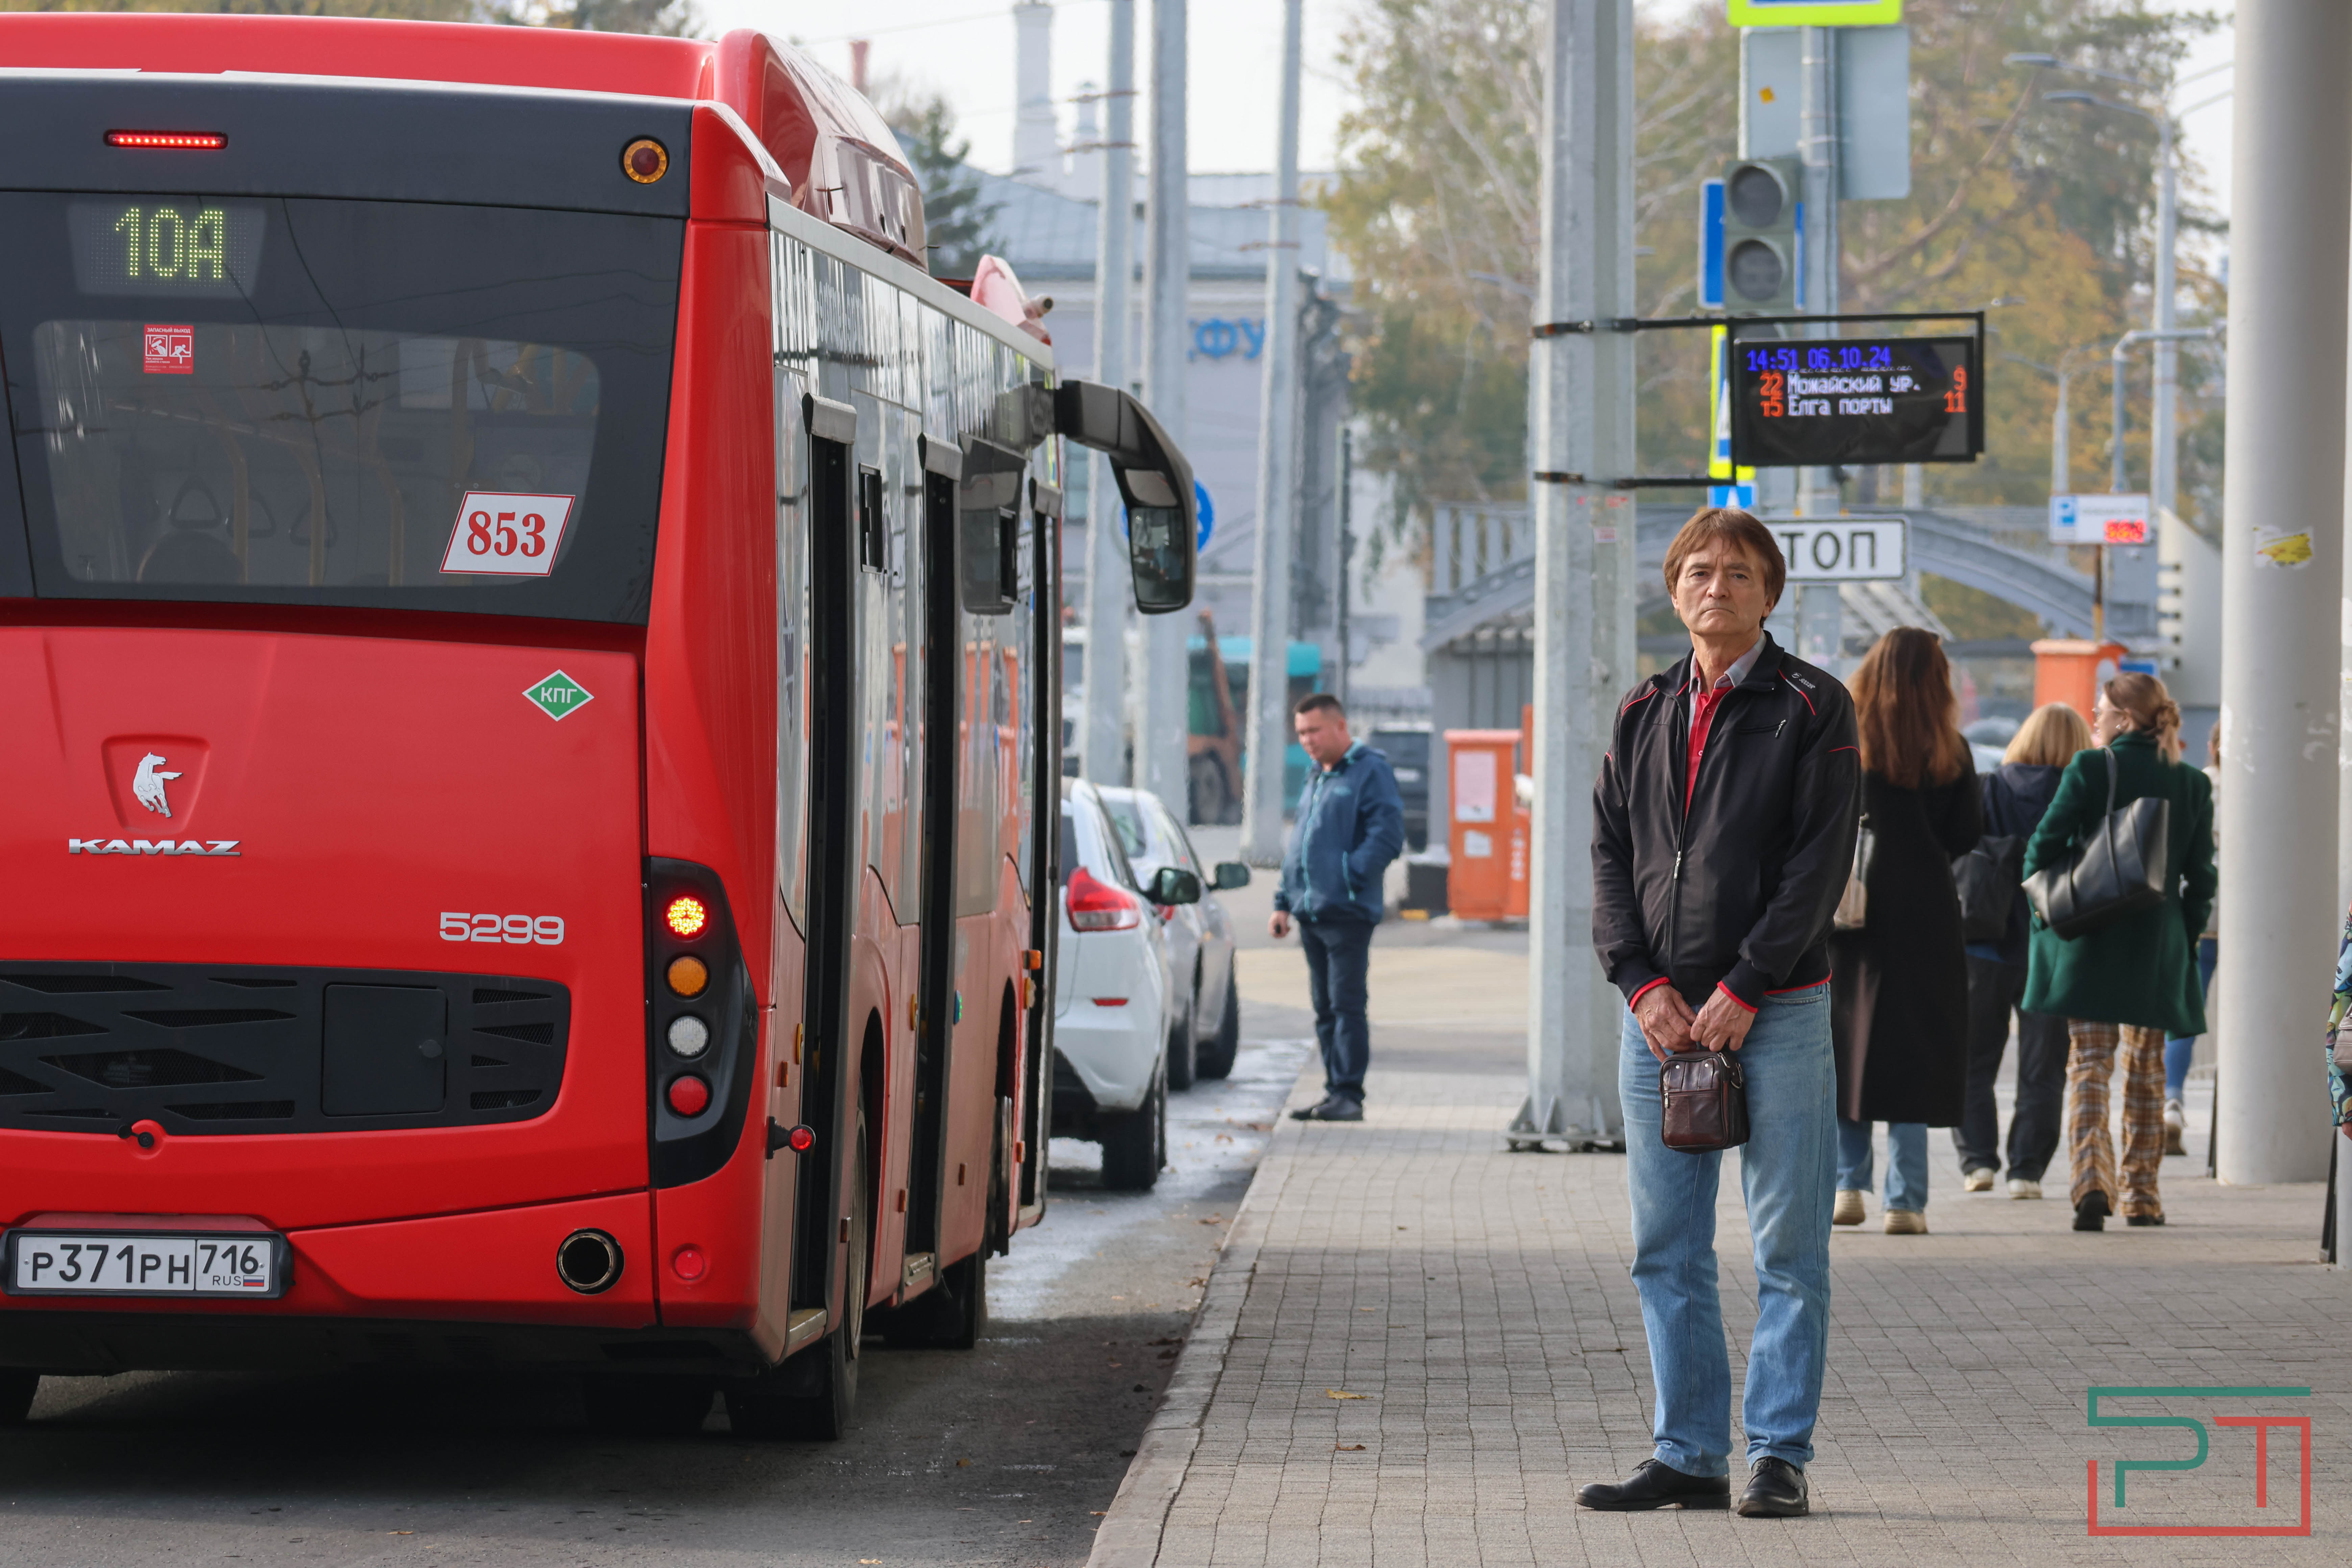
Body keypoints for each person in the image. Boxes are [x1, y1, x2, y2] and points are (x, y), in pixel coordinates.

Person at [1583, 508, 1860, 1520]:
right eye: (1698, 571)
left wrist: (1745, 983)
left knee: (1788, 1247)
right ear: (1673, 589)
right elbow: (1609, 856)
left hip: (1774, 1011)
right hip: (1656, 1019)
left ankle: (1777, 1453)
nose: (1717, 586)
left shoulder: (1812, 705)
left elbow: (1816, 865)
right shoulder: (1640, 709)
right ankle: (1688, 1452)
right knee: (1667, 1245)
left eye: (1738, 573)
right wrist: (1640, 982)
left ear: (1769, 593)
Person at [2022, 671, 2215, 1231]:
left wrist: (2047, 907)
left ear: (2125, 719)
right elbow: (2202, 878)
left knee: (2089, 1066)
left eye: (2101, 709)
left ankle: (2090, 1184)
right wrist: (2184, 933)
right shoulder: (2192, 784)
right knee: (2147, 1071)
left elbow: (2044, 845)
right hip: (2157, 947)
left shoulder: (2091, 767)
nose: (2095, 717)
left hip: (2091, 938)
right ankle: (2144, 1196)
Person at [1828, 628, 1980, 1235]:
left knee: (1849, 1045)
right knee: (1916, 1048)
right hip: (1927, 918)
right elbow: (1966, 835)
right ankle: (1907, 1201)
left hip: (1853, 914)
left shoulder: (1845, 741)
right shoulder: (1951, 749)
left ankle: (1847, 1185)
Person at [1954, 701, 2092, 1200]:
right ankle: (2027, 1172)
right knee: (2043, 1066)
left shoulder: (1988, 789)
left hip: (1983, 946)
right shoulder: (2085, 798)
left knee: (1972, 1061)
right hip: (2053, 951)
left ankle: (1978, 1163)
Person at [1270, 693, 1404, 1123]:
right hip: (1311, 912)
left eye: (1314, 730)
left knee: (1346, 1006)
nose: (1307, 740)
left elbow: (1387, 835)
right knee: (1324, 1007)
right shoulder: (1317, 775)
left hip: (1347, 911)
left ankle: (1349, 1094)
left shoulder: (1370, 771)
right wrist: (1282, 903)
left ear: (1340, 727)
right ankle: (1333, 1092)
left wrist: (1350, 876)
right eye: (1301, 732)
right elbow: (1299, 847)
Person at [2161, 722, 2223, 1154]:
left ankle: (2172, 1097)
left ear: (2213, 746)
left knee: (2187, 1007)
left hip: (2207, 918)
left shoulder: (2201, 785)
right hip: (2264, 923)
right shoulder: (2276, 786)